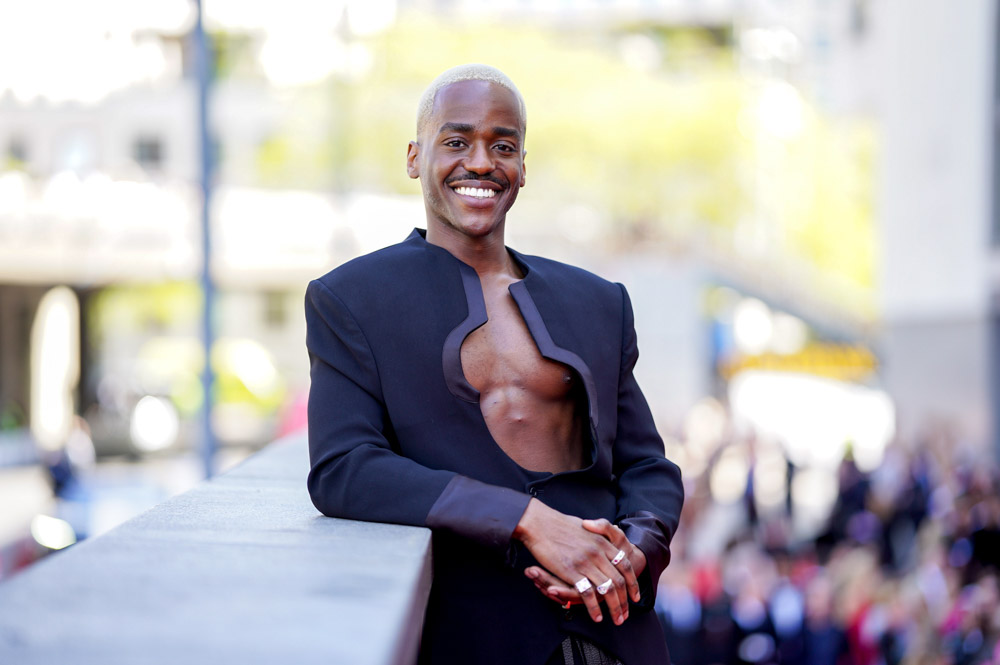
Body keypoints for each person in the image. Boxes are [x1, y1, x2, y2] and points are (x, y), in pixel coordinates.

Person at [305, 64, 684, 665]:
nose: (480, 162)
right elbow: (344, 469)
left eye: (502, 146)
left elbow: (647, 466)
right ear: (414, 157)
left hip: (610, 627)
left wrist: (635, 547)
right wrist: (525, 519)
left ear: (523, 167)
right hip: (472, 632)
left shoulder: (597, 301)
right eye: (456, 142)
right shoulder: (351, 298)